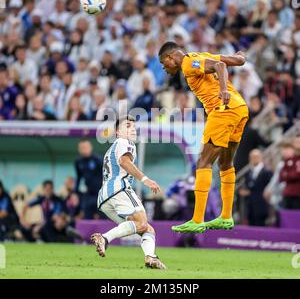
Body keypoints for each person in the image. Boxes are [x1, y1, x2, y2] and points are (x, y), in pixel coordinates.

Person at [159, 41, 248, 233]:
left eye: (163, 63)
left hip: (223, 110)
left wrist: (223, 89)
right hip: (240, 108)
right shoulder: (200, 56)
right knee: (225, 163)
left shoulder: (188, 63)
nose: (164, 69)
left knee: (203, 162)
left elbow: (221, 65)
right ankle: (226, 216)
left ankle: (197, 219)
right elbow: (231, 60)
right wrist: (241, 58)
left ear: (170, 58)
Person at [90, 115, 166, 269]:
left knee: (146, 228)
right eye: (127, 125)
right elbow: (124, 162)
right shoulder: (125, 142)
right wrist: (145, 180)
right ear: (117, 132)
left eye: (133, 126)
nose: (132, 128)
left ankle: (150, 257)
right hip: (119, 190)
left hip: (105, 198)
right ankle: (104, 238)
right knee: (142, 222)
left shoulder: (112, 148)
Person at [239, 149, 273, 226]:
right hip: (251, 207)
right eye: (252, 157)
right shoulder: (248, 173)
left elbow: (269, 188)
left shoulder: (267, 172)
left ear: (261, 157)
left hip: (262, 206)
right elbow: (249, 187)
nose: (254, 159)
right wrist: (246, 192)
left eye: (256, 157)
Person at [74, 139, 103, 219]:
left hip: (101, 193)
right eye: (82, 148)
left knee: (102, 217)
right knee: (87, 216)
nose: (84, 150)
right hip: (89, 194)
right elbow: (78, 178)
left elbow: (107, 175)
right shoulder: (78, 162)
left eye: (86, 147)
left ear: (90, 147)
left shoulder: (98, 159)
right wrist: (75, 193)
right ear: (79, 149)